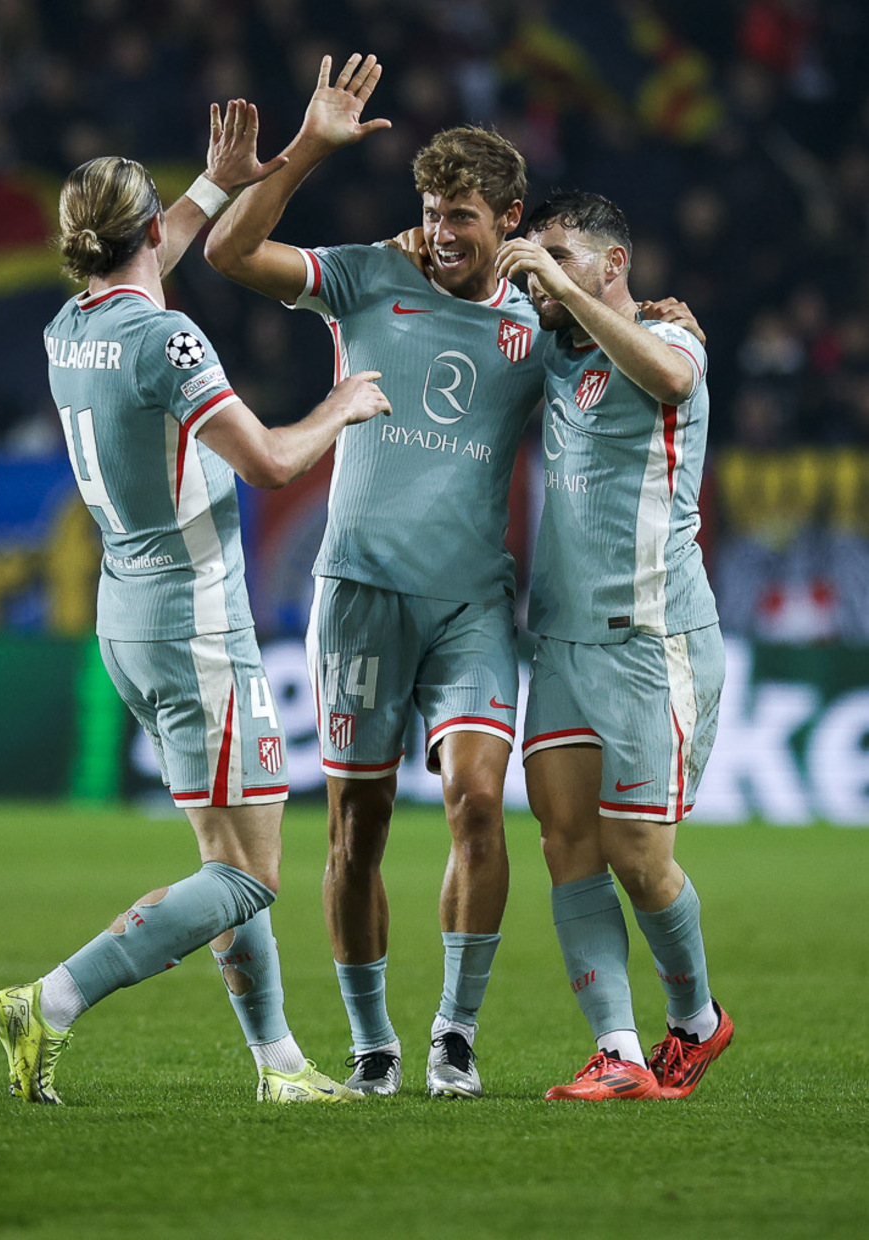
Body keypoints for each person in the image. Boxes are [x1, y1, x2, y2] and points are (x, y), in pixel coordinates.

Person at [0, 98, 392, 1106]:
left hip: (129, 619)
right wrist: (343, 404)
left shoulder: (66, 325)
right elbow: (266, 462)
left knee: (223, 857)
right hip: (198, 627)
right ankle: (55, 997)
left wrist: (264, 165)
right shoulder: (166, 342)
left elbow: (147, 251)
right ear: (147, 225)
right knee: (250, 875)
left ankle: (280, 1065)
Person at [205, 55, 551, 1098]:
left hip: (472, 603)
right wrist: (309, 145)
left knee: (480, 806)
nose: (444, 233)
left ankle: (453, 1030)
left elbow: (628, 373)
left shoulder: (540, 321)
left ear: (511, 219)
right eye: (434, 212)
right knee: (357, 828)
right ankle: (373, 1041)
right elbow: (229, 251)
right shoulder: (367, 273)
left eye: (465, 218)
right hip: (357, 593)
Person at [495, 191, 733, 1101]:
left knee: (640, 857)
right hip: (560, 638)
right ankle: (620, 1051)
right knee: (566, 841)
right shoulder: (558, 350)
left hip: (651, 640)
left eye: (562, 254)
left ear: (613, 264)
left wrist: (561, 284)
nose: (544, 271)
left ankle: (697, 1022)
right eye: (540, 255)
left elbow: (672, 385)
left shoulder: (677, 344)